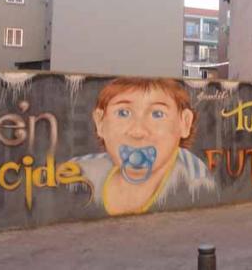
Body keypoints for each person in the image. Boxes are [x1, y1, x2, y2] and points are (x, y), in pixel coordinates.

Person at [71, 77, 216, 216]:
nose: (138, 132)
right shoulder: (77, 173)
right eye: (123, 113)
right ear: (100, 122)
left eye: (157, 114)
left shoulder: (196, 183)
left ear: (185, 123)